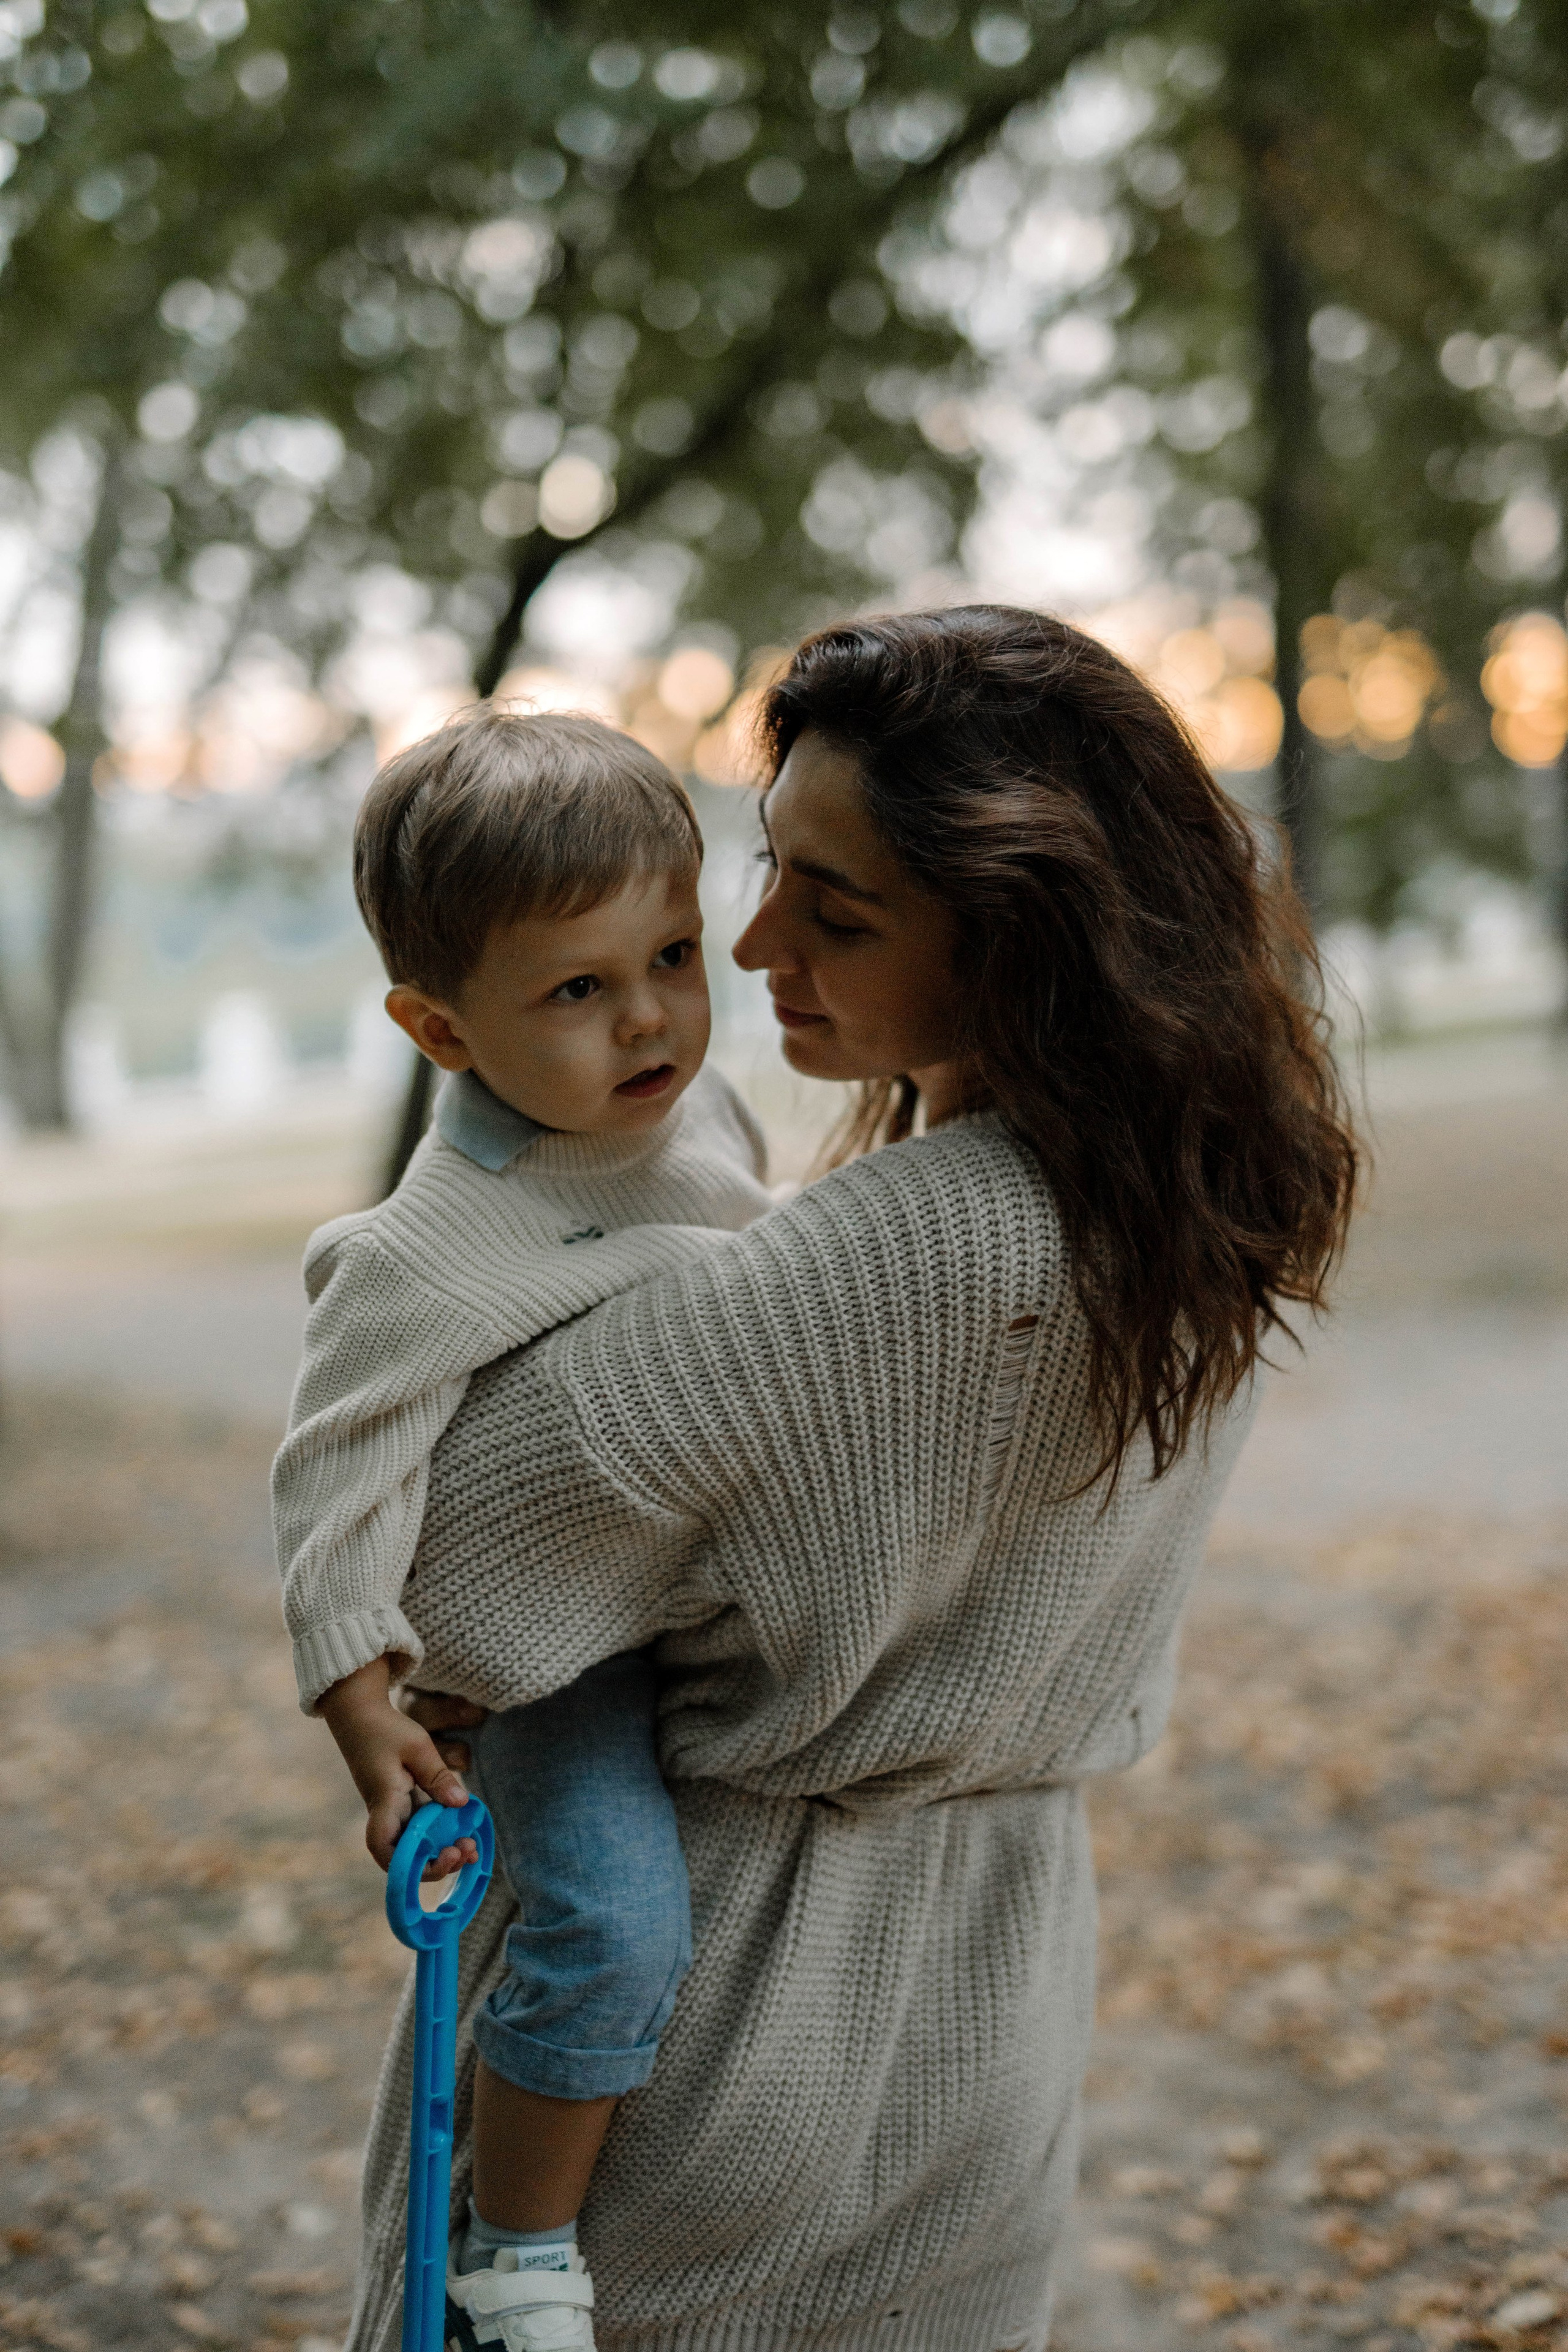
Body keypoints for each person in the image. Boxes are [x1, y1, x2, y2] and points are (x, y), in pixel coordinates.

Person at [349, 606, 1358, 2352]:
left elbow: (449, 1574)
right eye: (769, 870)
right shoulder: (1193, 1213)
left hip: (716, 2042)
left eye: (839, 909)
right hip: (992, 2023)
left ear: (1019, 938)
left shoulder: (886, 1263)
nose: (748, 946)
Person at [271, 708, 774, 2336]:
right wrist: (362, 1701)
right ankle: (519, 2249)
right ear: (440, 1029)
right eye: (577, 989)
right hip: (556, 1664)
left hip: (712, 1597)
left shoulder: (697, 1122)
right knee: (610, 1918)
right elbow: (337, 1471)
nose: (652, 1019)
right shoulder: (425, 1248)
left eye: (677, 955)